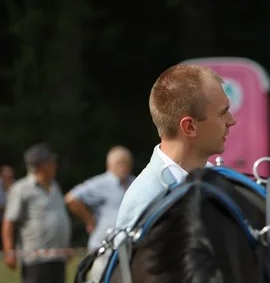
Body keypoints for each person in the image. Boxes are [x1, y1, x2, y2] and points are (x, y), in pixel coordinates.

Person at [114, 63, 238, 232]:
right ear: (190, 127)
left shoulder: (220, 182)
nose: (232, 121)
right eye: (223, 112)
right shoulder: (146, 201)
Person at [2, 143, 72, 283]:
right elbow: (9, 222)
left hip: (57, 255)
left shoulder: (55, 186)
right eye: (51, 162)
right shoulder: (22, 189)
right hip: (35, 256)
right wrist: (9, 250)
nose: (55, 165)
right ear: (41, 166)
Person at [65, 146, 134, 249]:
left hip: (129, 246)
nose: (122, 166)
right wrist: (89, 220)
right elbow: (71, 198)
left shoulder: (135, 183)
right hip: (103, 247)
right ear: (109, 164)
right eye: (119, 163)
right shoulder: (101, 183)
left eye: (125, 162)